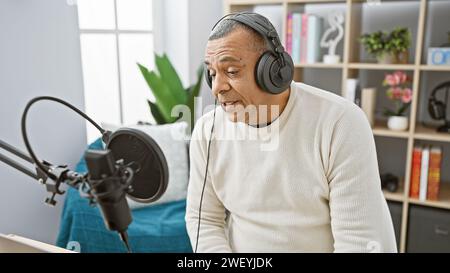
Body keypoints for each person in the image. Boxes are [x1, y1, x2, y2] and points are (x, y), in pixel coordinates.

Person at [185, 12, 397, 253]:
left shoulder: (340, 123)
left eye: (232, 71)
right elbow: (204, 220)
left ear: (274, 71)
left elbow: (357, 241)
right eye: (212, 74)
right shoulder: (207, 131)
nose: (217, 88)